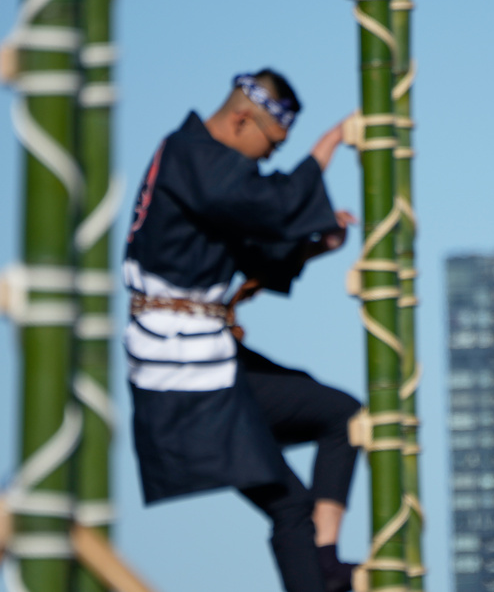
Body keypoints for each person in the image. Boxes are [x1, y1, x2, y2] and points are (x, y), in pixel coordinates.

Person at [123, 69, 359, 592]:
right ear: (239, 120)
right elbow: (270, 206)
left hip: (204, 365)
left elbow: (258, 246)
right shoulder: (191, 156)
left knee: (342, 417)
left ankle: (323, 560)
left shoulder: (198, 171)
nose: (268, 159)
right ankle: (320, 569)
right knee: (292, 507)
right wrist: (329, 145)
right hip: (184, 379)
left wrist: (314, 245)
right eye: (270, 145)